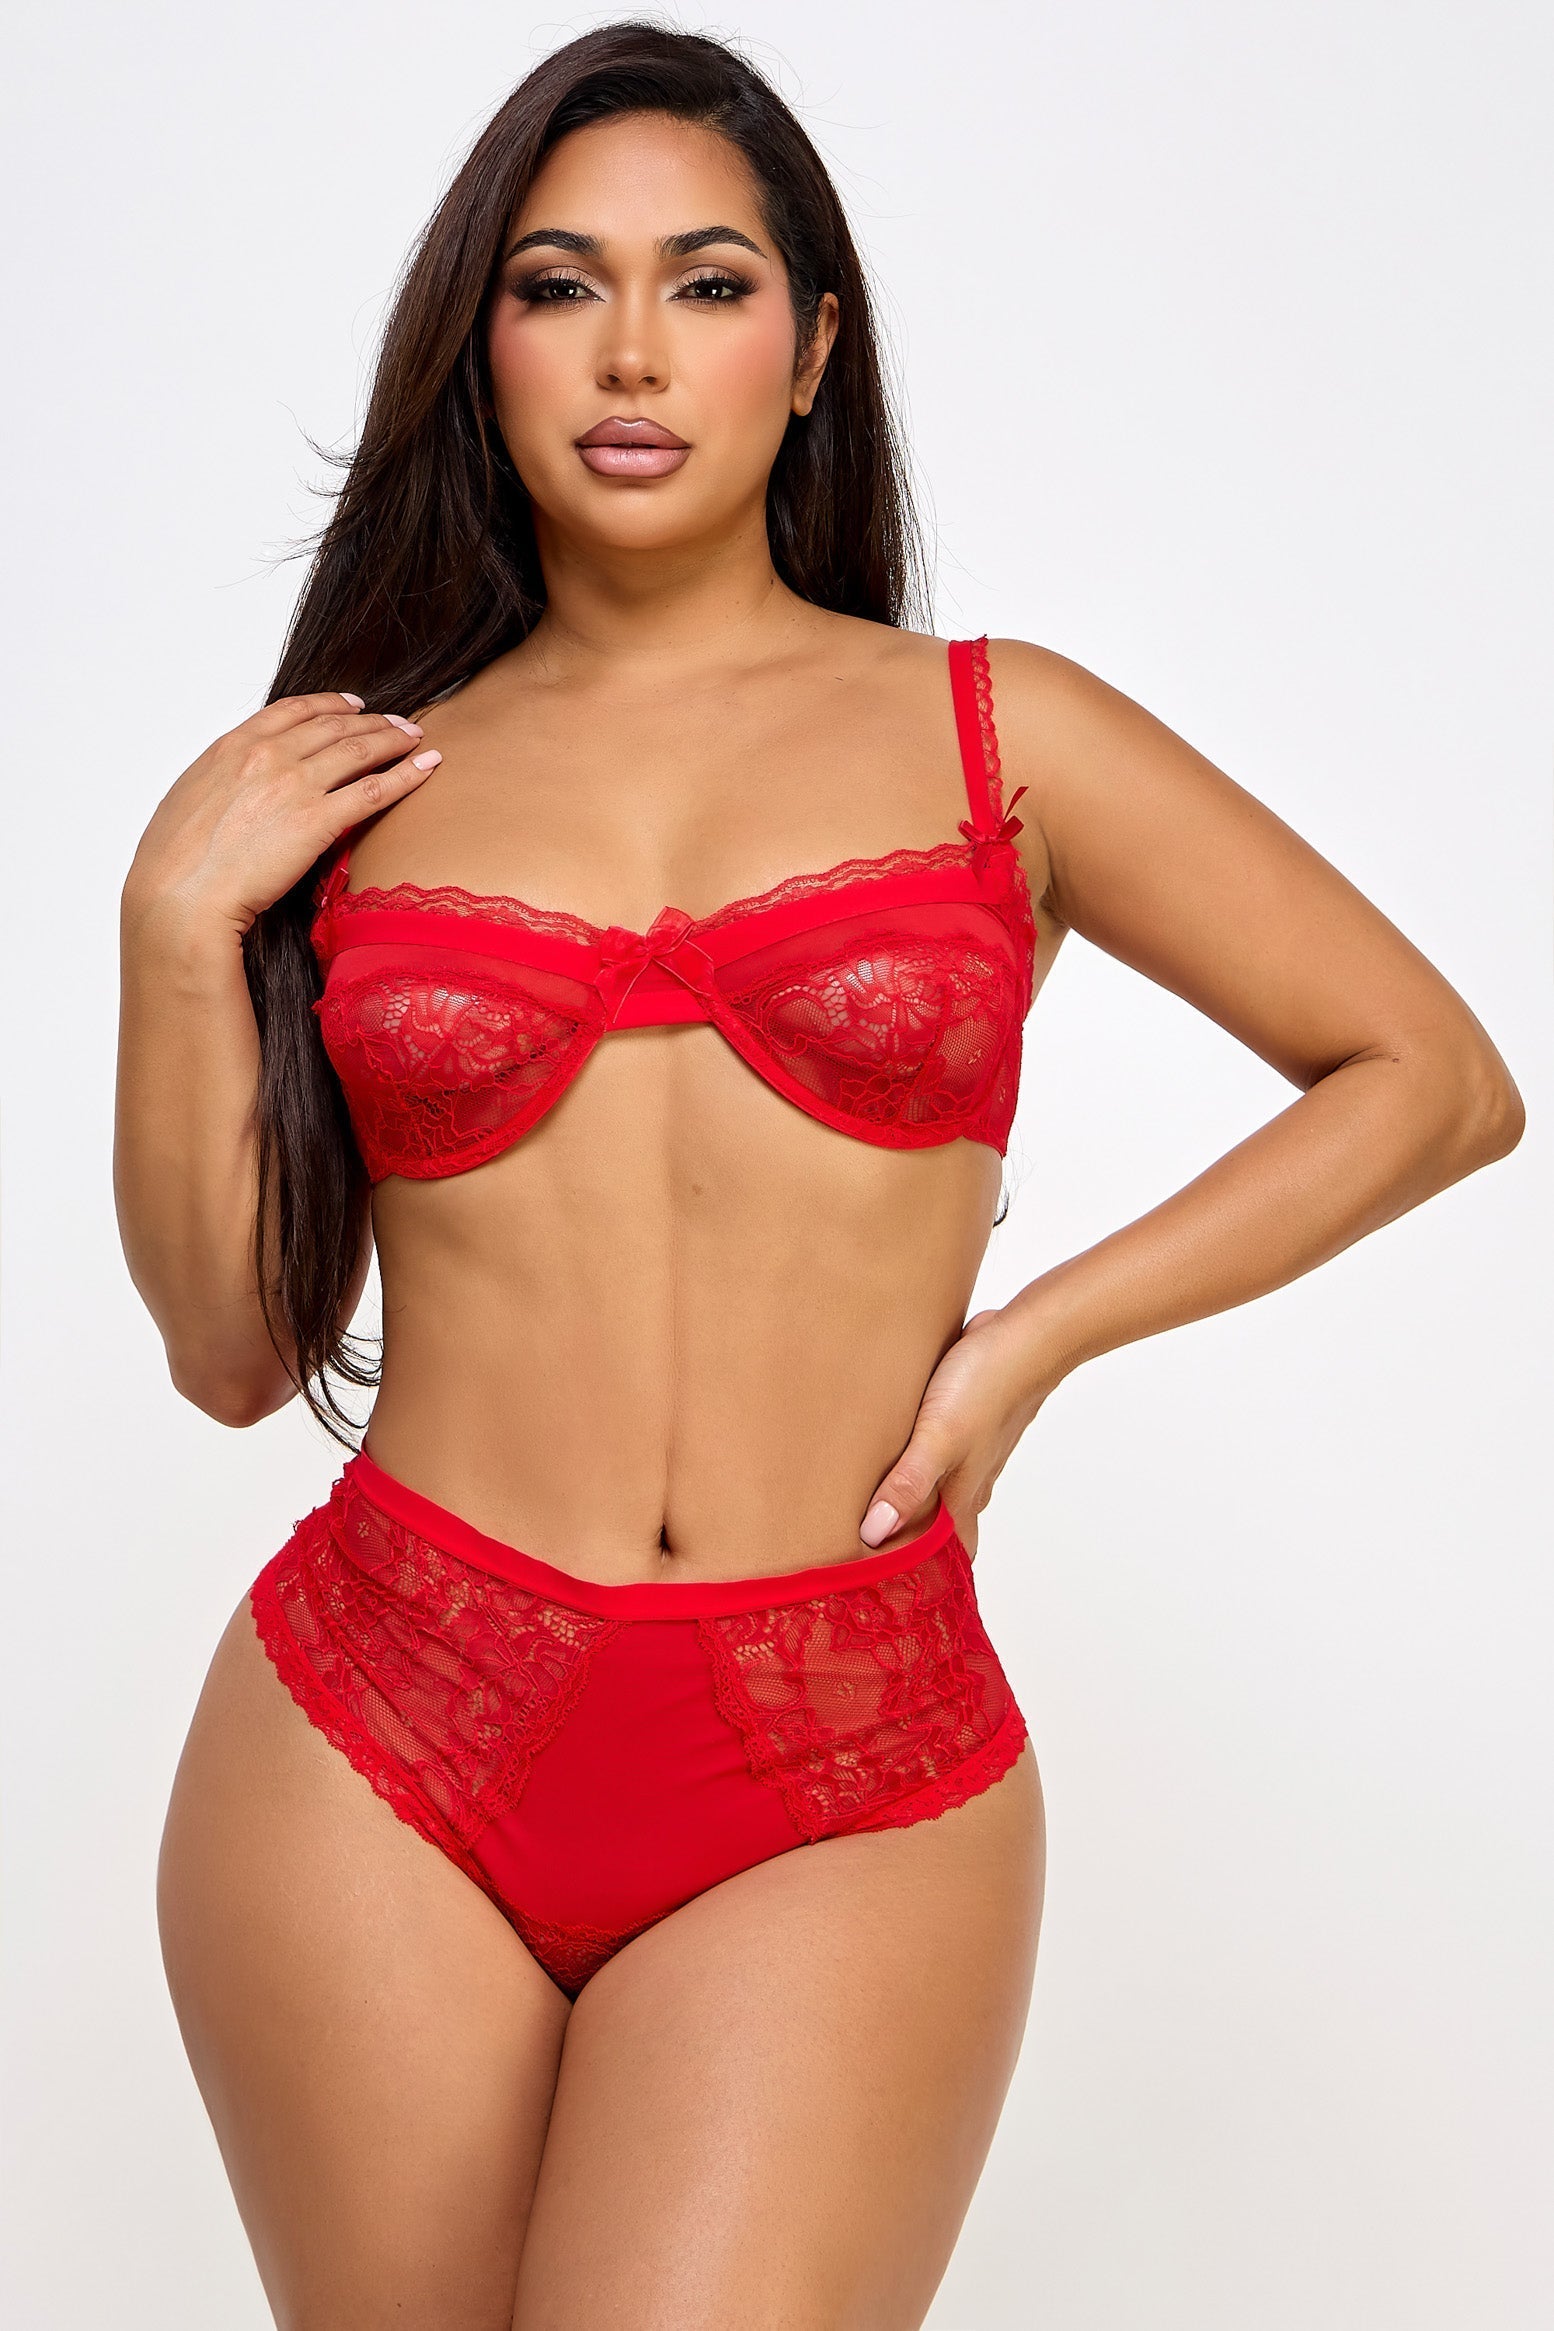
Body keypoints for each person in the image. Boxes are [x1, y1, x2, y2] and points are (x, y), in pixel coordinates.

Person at [113, 22, 1524, 2330]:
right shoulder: (356, 781)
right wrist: (175, 933)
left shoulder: (997, 732)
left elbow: (1434, 1077)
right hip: (380, 1722)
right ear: (482, 347)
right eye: (558, 286)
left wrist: (1032, 1340)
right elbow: (227, 1352)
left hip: (842, 1744)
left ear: (816, 345)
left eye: (708, 281)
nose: (633, 351)